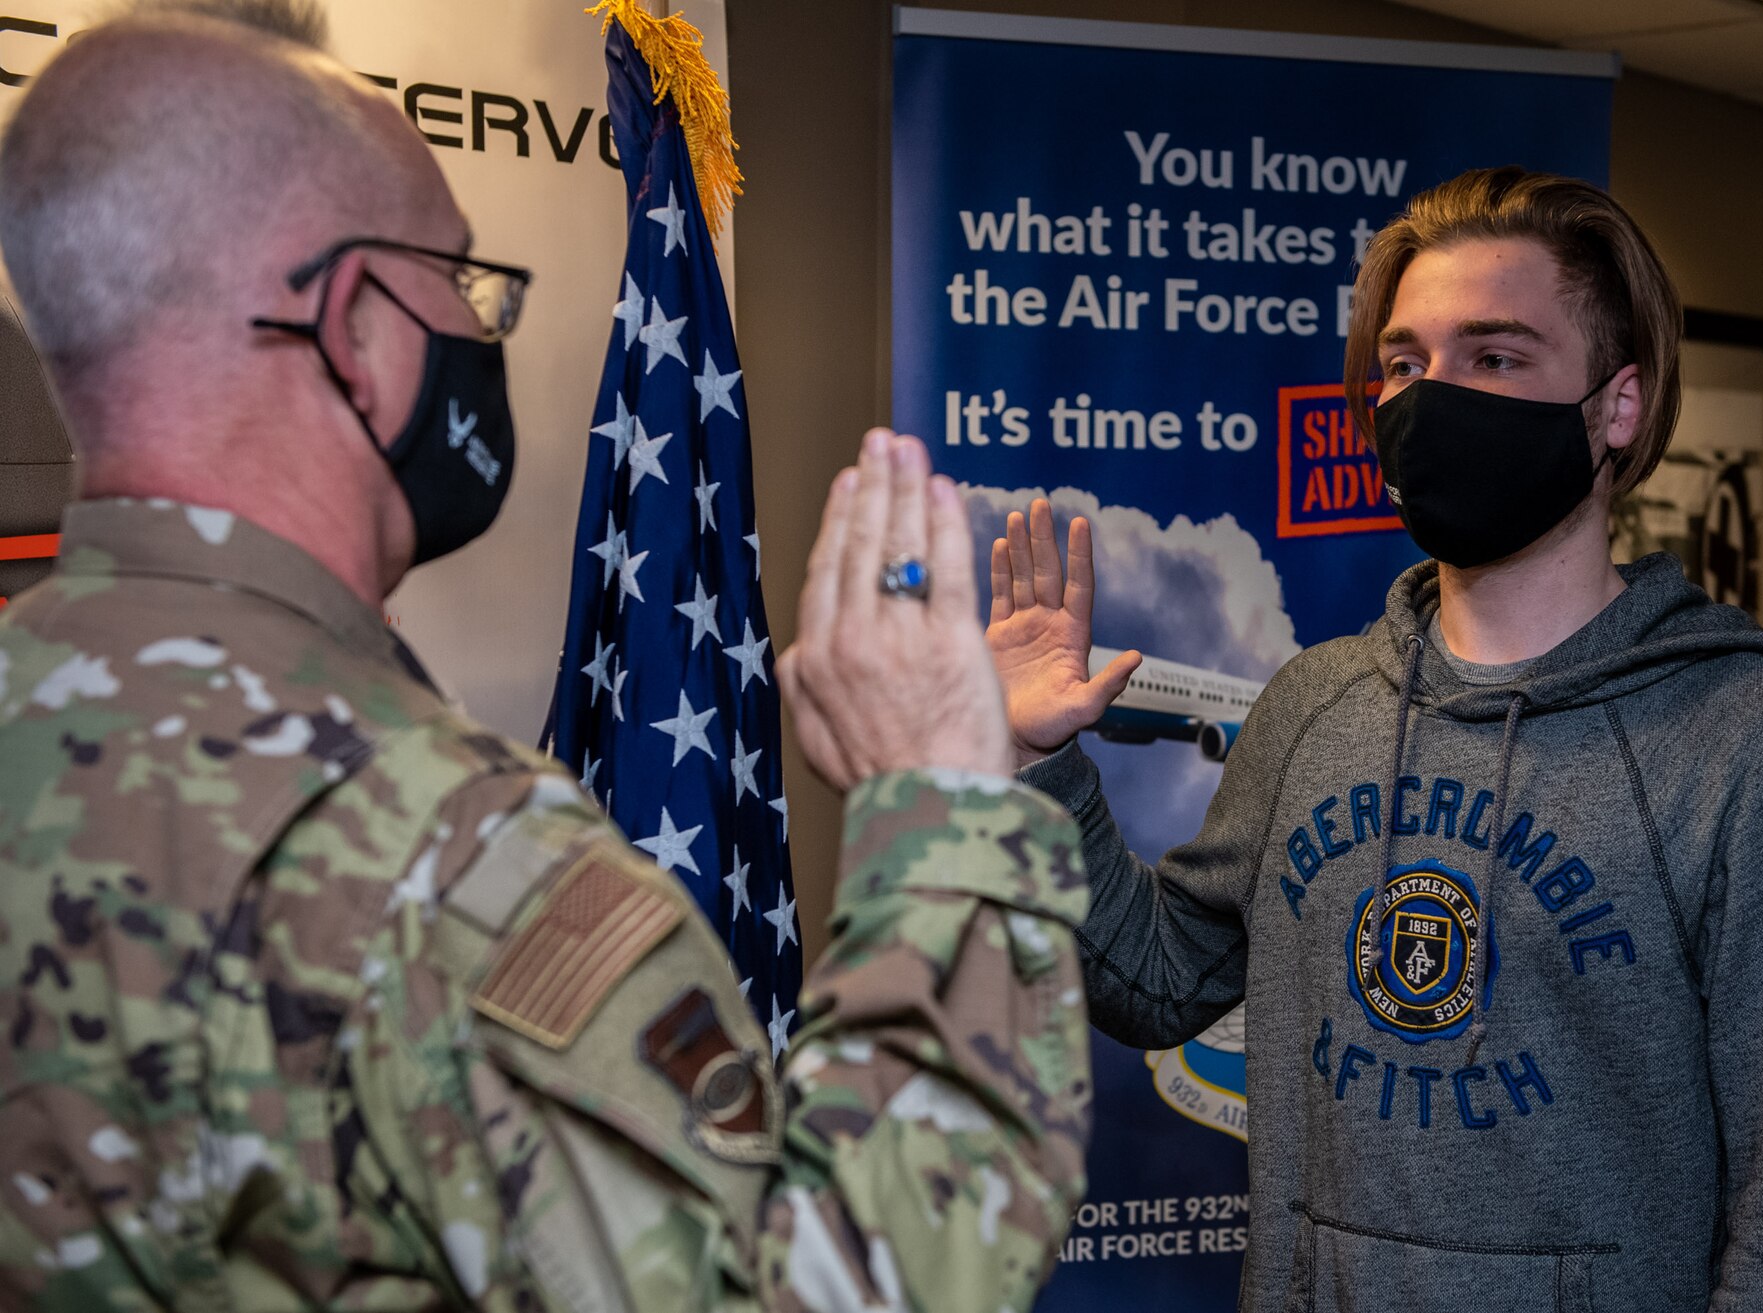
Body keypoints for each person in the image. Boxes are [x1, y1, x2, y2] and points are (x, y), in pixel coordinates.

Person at [0, 3, 1090, 1310]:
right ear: (349, 325)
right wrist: (948, 804)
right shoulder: (446, 857)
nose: (479, 322)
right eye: (453, 278)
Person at [987, 167, 1763, 1310]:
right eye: (1402, 363)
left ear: (1616, 407)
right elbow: (1155, 980)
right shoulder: (1313, 704)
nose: (1430, 398)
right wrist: (1042, 768)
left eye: (1494, 357)